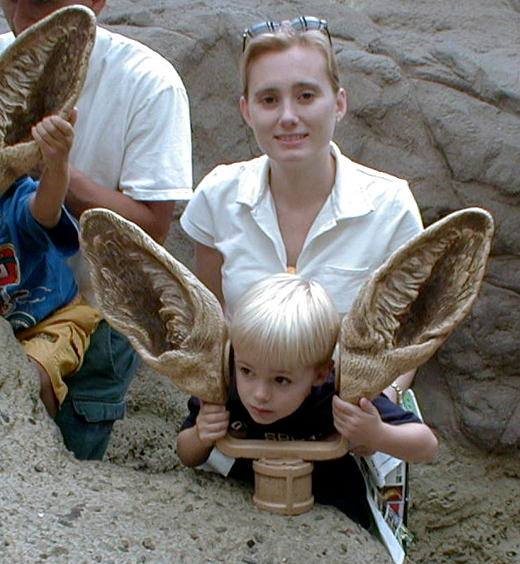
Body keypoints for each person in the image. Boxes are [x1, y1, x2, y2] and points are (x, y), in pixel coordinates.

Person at [179, 16, 420, 402]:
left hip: (356, 412)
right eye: (269, 99)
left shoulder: (391, 207)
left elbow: (409, 331)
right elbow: (212, 316)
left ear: (339, 103)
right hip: (250, 410)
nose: (288, 116)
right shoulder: (217, 196)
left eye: (306, 96)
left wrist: (384, 399)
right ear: (246, 110)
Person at [0, 0, 193, 459]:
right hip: (10, 291)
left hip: (93, 311)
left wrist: (49, 168)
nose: (24, 13)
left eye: (45, 1)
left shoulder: (147, 81)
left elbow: (150, 227)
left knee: (65, 457)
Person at [176, 273, 438, 528]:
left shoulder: (340, 396)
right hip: (245, 505)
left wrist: (377, 433)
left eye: (281, 380)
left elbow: (426, 446)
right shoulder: (226, 389)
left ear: (320, 374)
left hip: (334, 510)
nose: (260, 394)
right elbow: (186, 455)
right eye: (247, 371)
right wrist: (201, 434)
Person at [1, 111, 101, 418]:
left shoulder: (15, 197)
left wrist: (56, 166)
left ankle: (37, 437)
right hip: (7, 324)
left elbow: (44, 210)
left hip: (51, 318)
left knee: (31, 376)